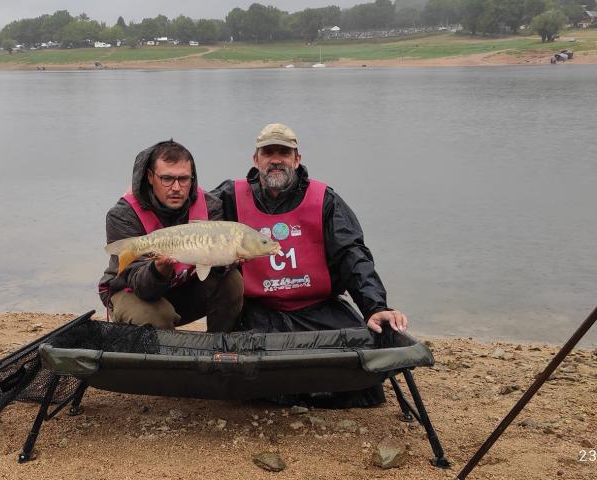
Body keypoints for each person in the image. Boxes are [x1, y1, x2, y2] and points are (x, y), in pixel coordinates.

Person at [211, 123, 408, 407]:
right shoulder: (230, 196)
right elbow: (191, 221)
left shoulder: (325, 199)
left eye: (284, 152)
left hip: (318, 309)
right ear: (256, 160)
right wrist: (143, 199)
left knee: (363, 365)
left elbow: (353, 256)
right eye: (268, 152)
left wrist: (375, 306)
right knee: (248, 376)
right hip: (259, 310)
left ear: (297, 159)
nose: (276, 159)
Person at [98, 140, 243, 332]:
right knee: (155, 316)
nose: (176, 188)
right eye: (167, 179)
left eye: (183, 179)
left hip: (182, 288)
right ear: (150, 176)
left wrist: (225, 260)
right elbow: (143, 289)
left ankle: (217, 349)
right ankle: (158, 356)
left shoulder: (210, 205)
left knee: (233, 280)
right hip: (134, 291)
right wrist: (159, 270)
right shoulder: (123, 215)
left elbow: (212, 270)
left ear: (192, 178)